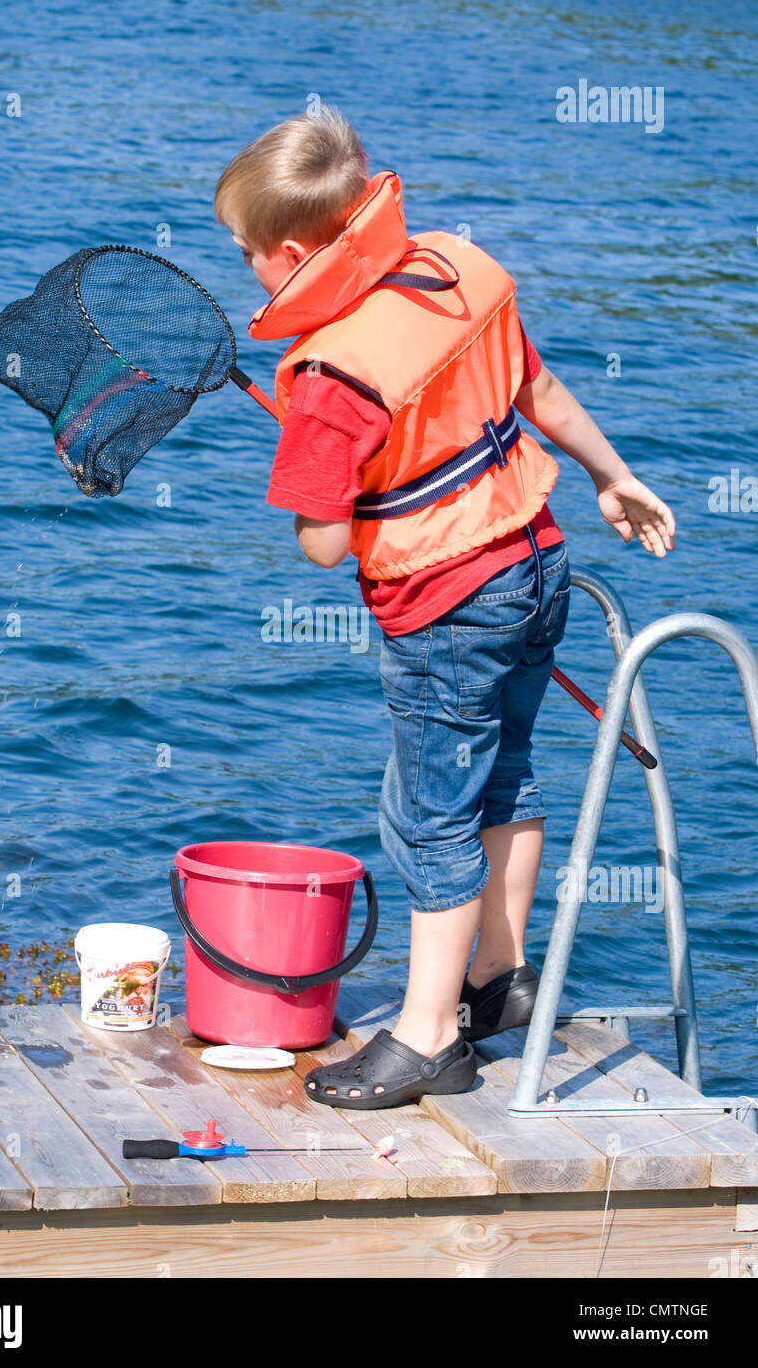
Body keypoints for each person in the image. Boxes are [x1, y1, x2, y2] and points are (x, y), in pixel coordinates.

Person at [214, 108, 675, 1110]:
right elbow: (536, 387)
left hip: (445, 605)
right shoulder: (459, 267)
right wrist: (613, 476)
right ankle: (491, 982)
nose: (248, 266)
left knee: (426, 815)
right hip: (537, 565)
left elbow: (323, 542)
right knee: (501, 774)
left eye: (246, 253)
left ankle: (427, 1038)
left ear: (290, 253)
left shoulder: (330, 371)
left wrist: (310, 466)